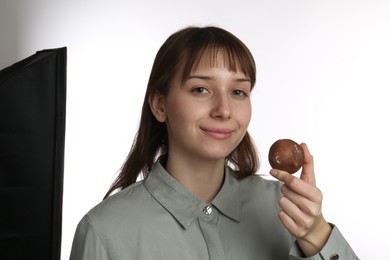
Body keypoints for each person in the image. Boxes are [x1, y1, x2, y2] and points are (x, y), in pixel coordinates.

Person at [70, 25, 359, 259]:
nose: (224, 110)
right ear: (159, 105)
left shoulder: (284, 207)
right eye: (200, 89)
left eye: (238, 92)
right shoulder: (104, 232)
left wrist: (317, 234)